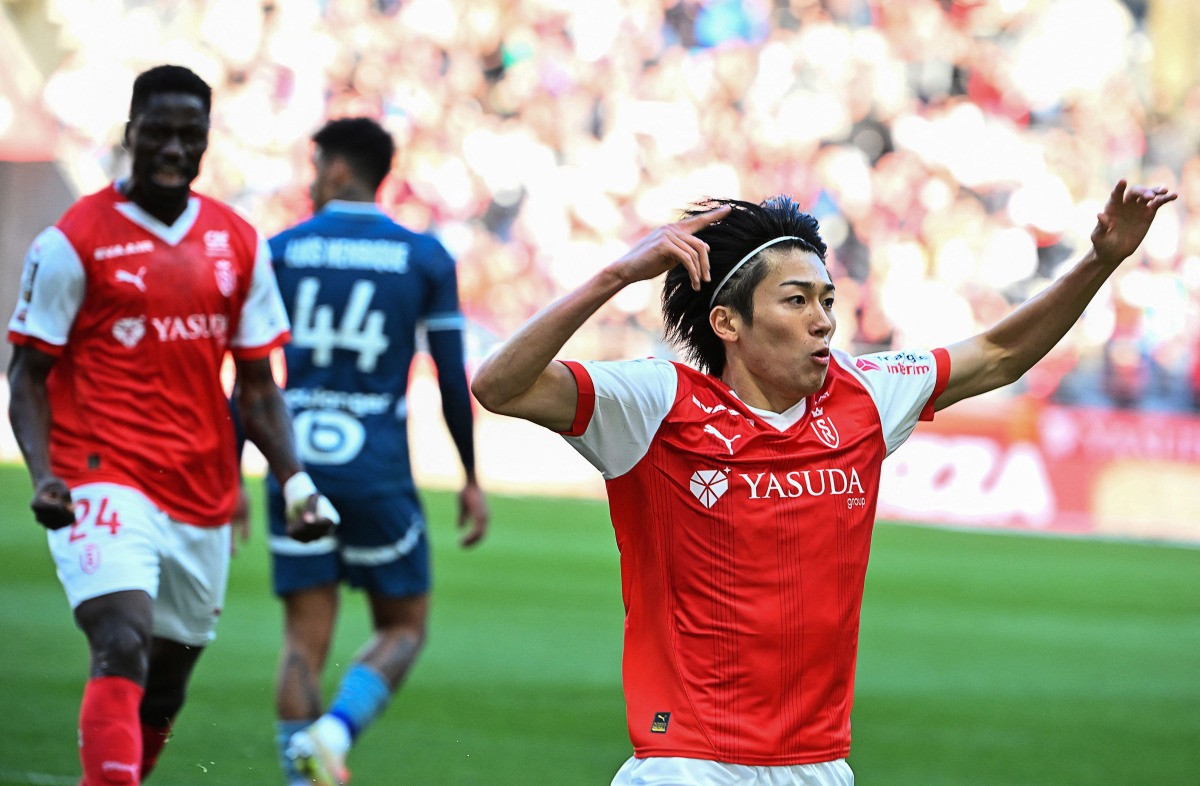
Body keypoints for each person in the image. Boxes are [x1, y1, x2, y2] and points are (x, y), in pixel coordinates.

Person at [470, 180, 1176, 785]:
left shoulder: (866, 395)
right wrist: (615, 277)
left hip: (819, 765)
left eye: (828, 300)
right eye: (797, 301)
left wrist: (1099, 262)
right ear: (728, 322)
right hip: (689, 762)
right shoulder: (654, 403)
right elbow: (499, 386)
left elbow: (998, 353)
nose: (824, 322)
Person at [5, 64, 339, 786]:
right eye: (158, 131)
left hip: (201, 490)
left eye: (190, 135)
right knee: (120, 640)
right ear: (131, 132)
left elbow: (257, 386)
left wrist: (296, 480)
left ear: (206, 141)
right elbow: (26, 375)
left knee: (165, 684)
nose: (172, 148)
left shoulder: (237, 241)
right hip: (100, 475)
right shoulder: (72, 240)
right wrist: (45, 474)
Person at [266, 116, 489, 786]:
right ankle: (333, 734)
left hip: (296, 467)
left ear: (337, 169)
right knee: (404, 626)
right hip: (377, 468)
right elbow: (452, 378)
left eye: (314, 167)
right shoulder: (423, 257)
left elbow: (252, 379)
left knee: (303, 640)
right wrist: (470, 476)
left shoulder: (279, 250)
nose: (309, 181)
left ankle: (302, 777)